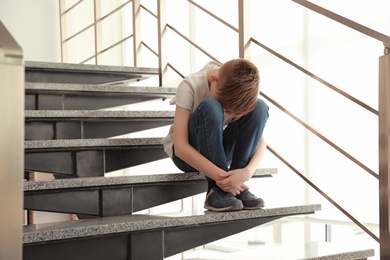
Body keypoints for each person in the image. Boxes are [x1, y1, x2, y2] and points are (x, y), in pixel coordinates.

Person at [162, 58, 269, 212]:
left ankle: (235, 191)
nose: (227, 111)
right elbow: (180, 147)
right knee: (211, 107)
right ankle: (217, 191)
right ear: (213, 79)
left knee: (259, 107)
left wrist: (245, 173)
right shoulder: (190, 86)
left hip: (218, 154)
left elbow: (261, 143)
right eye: (224, 105)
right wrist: (224, 181)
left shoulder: (235, 88)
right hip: (187, 156)